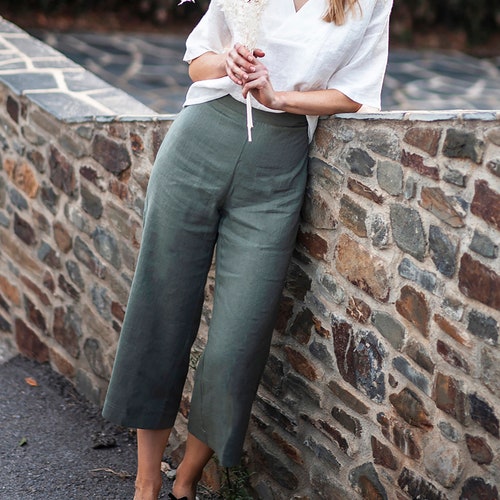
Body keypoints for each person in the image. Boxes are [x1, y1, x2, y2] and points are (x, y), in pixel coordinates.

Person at [102, 0, 393, 498]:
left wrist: (280, 100)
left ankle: (187, 480)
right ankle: (147, 482)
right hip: (201, 137)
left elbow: (355, 92)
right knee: (161, 310)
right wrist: (228, 62)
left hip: (277, 170)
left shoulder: (369, 3)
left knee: (240, 340)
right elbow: (198, 58)